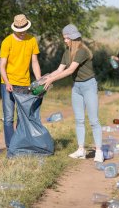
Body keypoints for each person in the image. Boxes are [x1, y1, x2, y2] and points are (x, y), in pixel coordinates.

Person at [42, 24, 103, 162]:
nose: (64, 40)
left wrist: (52, 79)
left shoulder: (81, 51)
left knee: (94, 120)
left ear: (73, 38)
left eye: (66, 38)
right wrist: (45, 78)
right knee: (79, 120)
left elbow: (70, 70)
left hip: (89, 86)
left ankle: (99, 151)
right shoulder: (67, 52)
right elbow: (59, 70)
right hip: (77, 87)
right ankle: (81, 149)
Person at [0, 14, 41, 148]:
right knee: (9, 117)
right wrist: (7, 82)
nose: (22, 32)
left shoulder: (31, 40)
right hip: (9, 83)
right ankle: (11, 147)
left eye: (24, 29)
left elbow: (34, 62)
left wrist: (39, 80)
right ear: (14, 28)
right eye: (19, 30)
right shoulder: (7, 42)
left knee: (22, 117)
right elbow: (2, 65)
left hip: (24, 83)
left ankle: (20, 144)